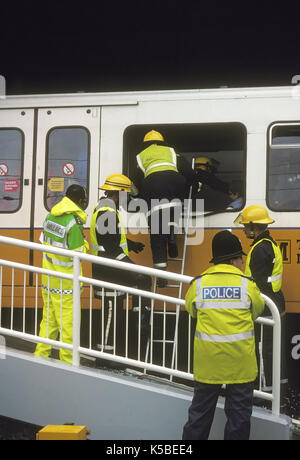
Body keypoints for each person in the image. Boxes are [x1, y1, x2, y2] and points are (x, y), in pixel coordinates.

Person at [182, 230, 264, 440]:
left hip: (208, 364)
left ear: (216, 260)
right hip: (240, 365)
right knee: (238, 420)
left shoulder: (198, 283)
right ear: (235, 259)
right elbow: (257, 310)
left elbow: (191, 310)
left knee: (198, 418)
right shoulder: (247, 284)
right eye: (241, 258)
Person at [90, 173, 152, 359]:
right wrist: (132, 268)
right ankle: (104, 358)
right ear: (118, 194)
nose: (128, 200)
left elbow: (110, 238)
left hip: (109, 270)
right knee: (110, 315)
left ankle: (137, 329)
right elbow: (109, 248)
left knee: (115, 310)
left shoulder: (104, 208)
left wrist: (131, 245)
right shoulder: (107, 212)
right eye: (126, 195)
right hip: (108, 271)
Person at [234, 205, 287, 395]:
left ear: (253, 226)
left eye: (245, 226)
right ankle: (275, 392)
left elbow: (256, 283)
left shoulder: (259, 249)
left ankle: (266, 395)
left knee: (264, 350)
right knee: (272, 350)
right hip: (274, 301)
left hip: (265, 305)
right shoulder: (269, 244)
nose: (243, 229)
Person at [35, 184, 89, 363]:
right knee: (69, 325)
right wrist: (86, 243)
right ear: (81, 200)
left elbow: (44, 241)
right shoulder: (73, 222)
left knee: (48, 321)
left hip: (48, 278)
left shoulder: (51, 215)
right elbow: (79, 252)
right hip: (66, 283)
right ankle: (68, 362)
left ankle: (40, 356)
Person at [132, 130, 190, 286]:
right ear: (162, 141)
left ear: (145, 143)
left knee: (157, 237)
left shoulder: (140, 156)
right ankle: (172, 235)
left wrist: (137, 196)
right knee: (172, 212)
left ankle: (161, 277)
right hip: (175, 184)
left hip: (153, 189)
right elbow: (187, 171)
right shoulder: (171, 151)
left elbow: (134, 181)